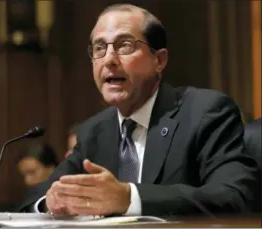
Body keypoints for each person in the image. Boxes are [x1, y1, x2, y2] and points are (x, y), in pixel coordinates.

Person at [19, 4, 259, 217]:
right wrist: (49, 201)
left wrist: (129, 197)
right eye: (99, 48)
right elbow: (35, 197)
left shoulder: (206, 113)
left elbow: (234, 197)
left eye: (124, 46)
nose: (109, 59)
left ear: (159, 60)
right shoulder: (94, 131)